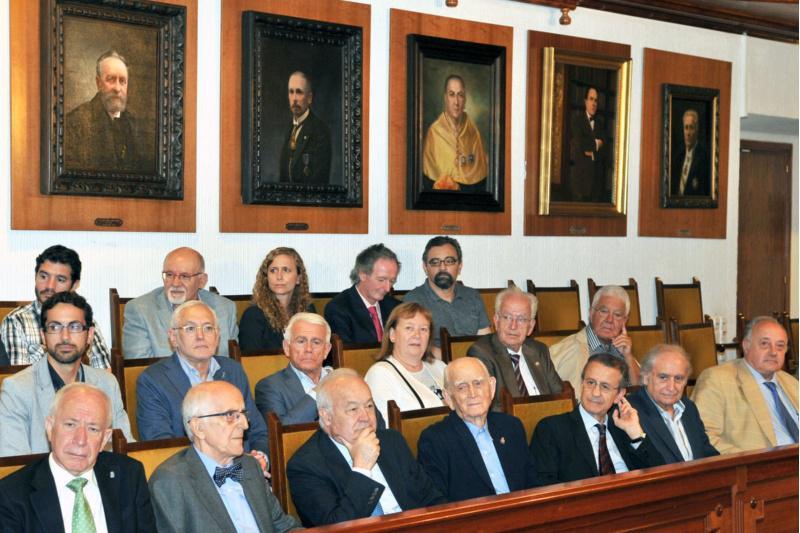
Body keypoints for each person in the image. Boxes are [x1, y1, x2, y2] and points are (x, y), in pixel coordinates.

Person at [287, 369, 445, 526]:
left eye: (369, 406)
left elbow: (432, 501)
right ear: (327, 417)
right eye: (353, 409)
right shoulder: (305, 466)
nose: (366, 417)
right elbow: (335, 527)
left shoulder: (392, 442)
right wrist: (362, 468)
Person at [0, 383, 155, 532]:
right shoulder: (11, 495)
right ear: (49, 427)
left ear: (104, 438)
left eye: (93, 429)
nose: (80, 440)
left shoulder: (129, 476)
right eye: (70, 425)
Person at [149, 381, 300, 533]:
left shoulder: (249, 465)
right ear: (198, 427)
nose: (245, 425)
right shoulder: (170, 481)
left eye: (243, 414)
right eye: (230, 415)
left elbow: (284, 527)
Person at [0, 292, 132, 456]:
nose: (65, 337)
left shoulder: (107, 384)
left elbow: (124, 451)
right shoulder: (18, 389)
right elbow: (15, 466)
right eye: (55, 327)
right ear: (43, 335)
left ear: (90, 334)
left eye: (75, 327)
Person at [135, 300, 268, 456]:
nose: (200, 336)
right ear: (173, 337)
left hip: (243, 468)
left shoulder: (232, 370)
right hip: (190, 476)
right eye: (190, 328)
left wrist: (261, 458)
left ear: (217, 335)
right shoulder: (153, 380)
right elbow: (160, 446)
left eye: (208, 328)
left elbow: (258, 431)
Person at [529, 353, 664, 486]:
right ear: (582, 384)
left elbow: (660, 478)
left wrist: (636, 433)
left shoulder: (623, 428)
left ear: (619, 395)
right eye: (591, 383)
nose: (595, 393)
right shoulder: (552, 429)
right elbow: (543, 485)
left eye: (605, 387)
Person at [417, 358, 535, 501]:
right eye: (462, 387)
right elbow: (437, 503)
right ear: (448, 398)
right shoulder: (435, 440)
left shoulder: (511, 427)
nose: (472, 393)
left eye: (478, 383)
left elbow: (533, 484)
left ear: (491, 387)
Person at [693, 316, 799, 453]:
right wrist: (750, 463)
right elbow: (704, 436)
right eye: (765, 344)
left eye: (780, 346)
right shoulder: (717, 380)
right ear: (746, 346)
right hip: (757, 468)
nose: (773, 352)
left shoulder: (791, 383)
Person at [1, 244, 111, 368]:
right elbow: (20, 380)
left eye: (60, 280)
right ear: (35, 276)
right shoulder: (17, 321)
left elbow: (105, 375)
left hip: (85, 387)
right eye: (43, 276)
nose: (50, 286)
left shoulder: (83, 321)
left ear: (75, 285)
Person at [123, 246, 238, 358]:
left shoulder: (226, 309)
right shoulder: (140, 310)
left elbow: (232, 364)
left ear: (202, 281)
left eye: (184, 276)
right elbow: (139, 369)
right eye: (169, 275)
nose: (175, 283)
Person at [468, 287, 563, 409]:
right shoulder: (481, 353)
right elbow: (491, 408)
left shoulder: (540, 350)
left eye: (521, 319)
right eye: (507, 317)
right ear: (496, 321)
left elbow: (560, 396)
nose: (513, 326)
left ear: (531, 327)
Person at [64, 50, 153, 173]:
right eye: (111, 79)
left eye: (122, 81)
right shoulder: (74, 123)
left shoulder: (136, 125)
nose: (117, 88)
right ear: (98, 83)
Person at [627, 344, 718, 463]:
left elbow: (707, 453)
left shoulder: (688, 408)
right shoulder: (630, 412)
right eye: (663, 377)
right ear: (645, 377)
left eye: (678, 378)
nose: (671, 387)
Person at [404, 236, 491, 357]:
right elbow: (416, 345)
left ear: (459, 266)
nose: (442, 267)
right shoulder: (414, 300)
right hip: (435, 367)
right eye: (435, 262)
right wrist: (454, 362)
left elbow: (485, 340)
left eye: (449, 261)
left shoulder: (472, 296)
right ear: (425, 267)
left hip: (473, 365)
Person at [550, 285, 640, 396]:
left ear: (625, 321)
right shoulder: (567, 350)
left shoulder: (624, 350)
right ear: (591, 313)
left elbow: (643, 394)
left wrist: (629, 356)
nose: (609, 320)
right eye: (604, 311)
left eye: (617, 315)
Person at [364, 302, 447, 422]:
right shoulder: (380, 374)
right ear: (392, 335)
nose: (417, 335)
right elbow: (386, 427)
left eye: (423, 329)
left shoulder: (440, 367)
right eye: (409, 328)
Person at [255, 312, 333, 424]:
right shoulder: (270, 387)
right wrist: (319, 390)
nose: (309, 349)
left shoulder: (343, 382)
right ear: (287, 347)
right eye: (301, 341)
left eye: (316, 342)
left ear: (326, 350)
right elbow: (282, 432)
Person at [239, 247, 316, 352]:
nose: (279, 276)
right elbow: (252, 363)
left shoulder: (308, 311)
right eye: (273, 270)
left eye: (286, 270)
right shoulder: (254, 316)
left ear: (298, 278)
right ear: (266, 278)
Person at [324, 243, 402, 344]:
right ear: (363, 275)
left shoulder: (396, 308)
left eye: (392, 281)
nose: (388, 288)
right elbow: (347, 355)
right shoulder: (338, 309)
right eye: (381, 280)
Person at [422, 74, 488, 191]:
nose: (456, 102)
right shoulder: (434, 132)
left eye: (460, 95)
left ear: (465, 99)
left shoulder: (474, 132)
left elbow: (481, 178)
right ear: (445, 98)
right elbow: (428, 180)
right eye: (452, 95)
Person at [279, 71, 331, 184]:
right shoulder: (289, 129)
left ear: (309, 98)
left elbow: (320, 183)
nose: (294, 98)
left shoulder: (320, 131)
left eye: (299, 92)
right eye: (291, 92)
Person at [568, 86, 609, 202]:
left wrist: (593, 154)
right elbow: (581, 145)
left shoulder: (601, 125)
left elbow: (605, 151)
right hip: (580, 184)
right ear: (585, 101)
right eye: (591, 99)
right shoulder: (577, 121)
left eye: (596, 100)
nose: (594, 103)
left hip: (596, 186)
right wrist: (596, 143)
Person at [670, 108, 710, 196]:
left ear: (697, 129)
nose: (688, 133)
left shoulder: (704, 157)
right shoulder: (678, 156)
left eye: (691, 128)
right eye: (686, 128)